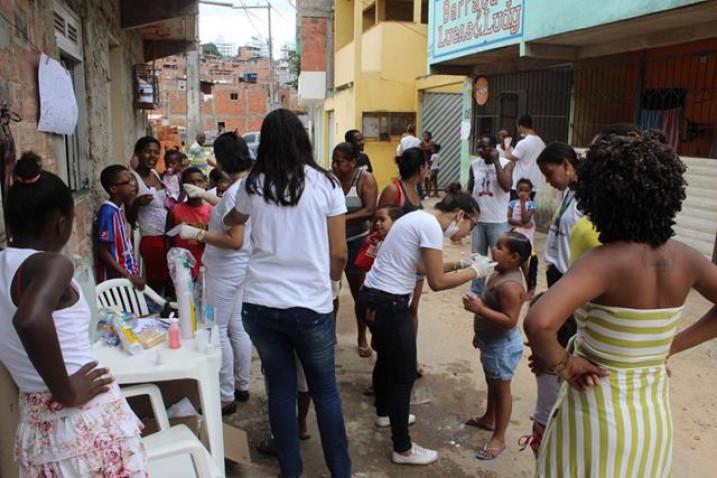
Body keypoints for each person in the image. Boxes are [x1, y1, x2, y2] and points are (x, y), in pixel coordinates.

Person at [525, 131, 717, 477]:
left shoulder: (603, 262)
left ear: (597, 198)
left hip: (596, 412)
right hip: (651, 420)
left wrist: (565, 364)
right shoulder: (689, 258)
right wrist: (668, 346)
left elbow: (539, 323)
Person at [0, 153, 146, 476]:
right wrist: (66, 391)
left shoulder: (5, 267)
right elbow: (29, 319)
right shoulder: (53, 265)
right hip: (82, 422)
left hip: (37, 429)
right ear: (60, 223)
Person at [224, 109, 351, 478]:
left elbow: (236, 218)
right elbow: (339, 252)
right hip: (311, 305)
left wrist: (230, 218)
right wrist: (332, 283)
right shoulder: (327, 184)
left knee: (279, 391)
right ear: (303, 139)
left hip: (261, 306)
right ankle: (340, 472)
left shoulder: (254, 185)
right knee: (325, 392)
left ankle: (291, 471)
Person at [357, 188, 494, 465]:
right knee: (404, 374)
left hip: (373, 296)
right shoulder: (430, 226)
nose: (468, 233)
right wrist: (476, 271)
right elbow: (436, 282)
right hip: (389, 304)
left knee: (387, 361)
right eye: (471, 225)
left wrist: (461, 262)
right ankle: (402, 448)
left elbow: (419, 266)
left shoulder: (418, 217)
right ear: (460, 215)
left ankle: (386, 412)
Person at [182, 132, 255, 415]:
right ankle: (241, 384)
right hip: (239, 270)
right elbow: (229, 213)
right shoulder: (245, 186)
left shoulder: (238, 190)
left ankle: (225, 395)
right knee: (236, 325)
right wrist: (206, 196)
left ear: (222, 161)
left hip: (225, 269)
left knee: (218, 329)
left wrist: (199, 234)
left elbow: (234, 238)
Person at [463, 232, 530, 461]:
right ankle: (488, 419)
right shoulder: (501, 272)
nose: (493, 248)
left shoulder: (510, 286)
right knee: (493, 382)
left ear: (514, 257)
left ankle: (499, 437)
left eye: (500, 247)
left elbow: (510, 320)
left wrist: (480, 310)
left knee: (502, 390)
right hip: (491, 342)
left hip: (502, 346)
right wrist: (479, 334)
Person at [378, 148, 429, 376]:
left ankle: (409, 359)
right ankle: (386, 366)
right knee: (392, 313)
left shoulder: (417, 190)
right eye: (426, 166)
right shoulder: (393, 190)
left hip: (415, 263)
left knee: (412, 310)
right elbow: (379, 223)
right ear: (420, 168)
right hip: (396, 264)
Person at [331, 142, 378, 357]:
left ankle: (361, 337)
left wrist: (339, 219)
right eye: (334, 160)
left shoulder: (364, 179)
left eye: (340, 161)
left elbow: (370, 210)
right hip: (331, 242)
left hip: (356, 241)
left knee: (359, 293)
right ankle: (330, 335)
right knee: (331, 290)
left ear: (352, 162)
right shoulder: (330, 180)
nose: (335, 165)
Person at [467, 134, 514, 296]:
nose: (480, 150)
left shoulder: (507, 163)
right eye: (479, 147)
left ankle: (498, 290)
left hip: (498, 220)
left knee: (499, 260)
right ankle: (476, 291)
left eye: (484, 147)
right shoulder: (474, 165)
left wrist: (495, 162)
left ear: (494, 148)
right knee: (478, 258)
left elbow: (507, 186)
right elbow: (470, 190)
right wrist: (469, 216)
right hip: (479, 221)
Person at [129, 136, 170, 293]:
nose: (152, 156)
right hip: (151, 238)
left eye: (156, 152)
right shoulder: (133, 179)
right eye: (147, 152)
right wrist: (137, 203)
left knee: (169, 281)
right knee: (155, 283)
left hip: (166, 235)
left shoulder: (155, 174)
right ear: (138, 154)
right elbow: (129, 217)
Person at [95, 165, 143, 288]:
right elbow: (103, 251)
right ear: (113, 188)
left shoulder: (118, 209)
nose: (133, 185)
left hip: (127, 277)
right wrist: (128, 275)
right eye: (127, 182)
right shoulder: (107, 212)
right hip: (117, 280)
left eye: (132, 180)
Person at [165, 167, 212, 278]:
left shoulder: (212, 211)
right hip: (182, 270)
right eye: (191, 182)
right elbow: (168, 240)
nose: (195, 185)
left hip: (205, 269)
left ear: (205, 184)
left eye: (199, 181)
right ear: (183, 186)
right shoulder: (174, 211)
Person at [503, 114, 545, 199]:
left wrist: (507, 145)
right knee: (527, 210)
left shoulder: (524, 143)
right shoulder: (542, 143)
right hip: (533, 185)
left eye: (517, 127)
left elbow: (509, 157)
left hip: (520, 186)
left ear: (521, 126)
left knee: (516, 210)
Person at [508, 178, 538, 296]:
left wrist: (522, 203)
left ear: (530, 192)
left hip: (526, 236)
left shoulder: (531, 205)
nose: (523, 193)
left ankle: (530, 288)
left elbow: (526, 219)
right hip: (516, 232)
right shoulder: (512, 203)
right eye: (520, 190)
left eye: (526, 191)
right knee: (513, 261)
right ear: (516, 190)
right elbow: (509, 218)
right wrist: (521, 224)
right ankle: (514, 287)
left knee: (525, 262)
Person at [354, 207, 404, 273]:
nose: (377, 223)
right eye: (376, 220)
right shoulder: (375, 239)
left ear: (395, 222)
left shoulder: (402, 243)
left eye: (382, 220)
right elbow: (363, 264)